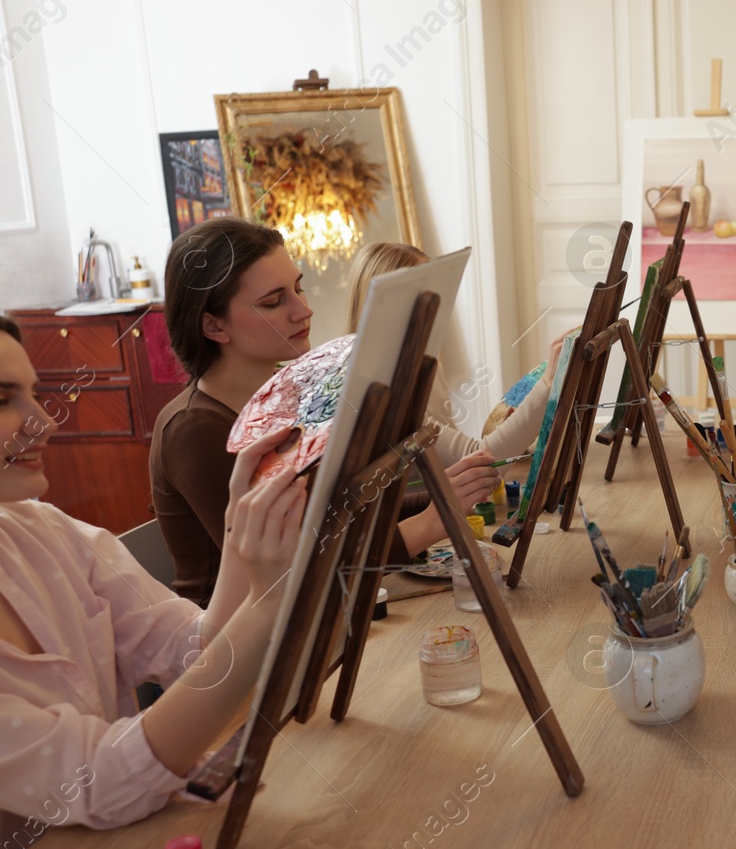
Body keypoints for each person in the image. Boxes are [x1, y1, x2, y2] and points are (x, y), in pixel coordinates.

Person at [0, 312, 307, 836]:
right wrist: (271, 600)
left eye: (34, 393)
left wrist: (239, 517)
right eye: (3, 399)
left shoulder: (47, 532)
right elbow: (100, 778)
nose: (45, 421)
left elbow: (196, 649)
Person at [150, 218, 500, 604]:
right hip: (243, 648)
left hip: (322, 616)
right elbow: (292, 565)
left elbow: (335, 516)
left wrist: (439, 495)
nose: (304, 310)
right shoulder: (193, 431)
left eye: (298, 288)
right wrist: (427, 524)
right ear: (214, 327)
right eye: (273, 301)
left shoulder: (297, 392)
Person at [345, 242, 555, 467]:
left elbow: (453, 464)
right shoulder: (378, 390)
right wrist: (547, 385)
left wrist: (515, 432)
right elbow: (481, 461)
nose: (436, 304)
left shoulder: (426, 364)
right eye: (423, 294)